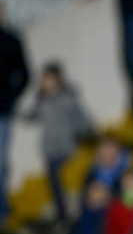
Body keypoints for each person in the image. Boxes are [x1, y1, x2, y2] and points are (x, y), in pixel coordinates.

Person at [22, 62, 93, 222]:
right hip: (50, 148)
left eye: (50, 79)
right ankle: (61, 212)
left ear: (58, 79)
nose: (46, 82)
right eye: (44, 79)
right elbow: (33, 115)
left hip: (67, 147)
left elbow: (80, 116)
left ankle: (73, 210)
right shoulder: (42, 100)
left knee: (68, 179)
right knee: (54, 182)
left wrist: (86, 130)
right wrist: (20, 113)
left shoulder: (67, 98)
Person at [0, 0, 29, 223]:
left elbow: (25, 74)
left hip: (2, 110)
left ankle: (2, 207)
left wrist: (11, 97)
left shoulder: (11, 40)